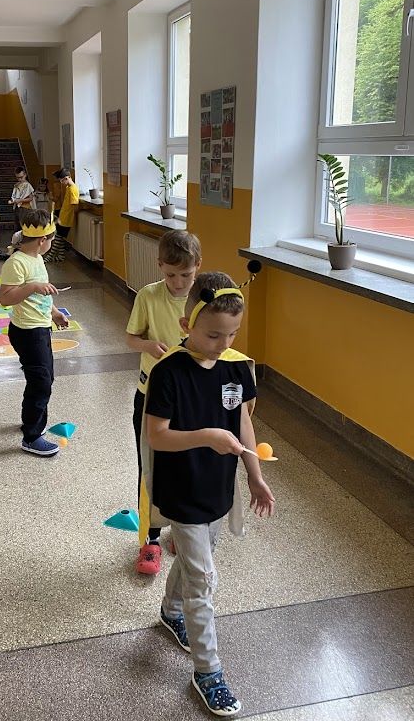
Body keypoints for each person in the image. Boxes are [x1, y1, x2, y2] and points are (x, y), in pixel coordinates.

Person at [141, 267, 275, 717]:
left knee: (196, 560)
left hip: (219, 489)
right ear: (187, 325)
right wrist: (207, 437)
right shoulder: (169, 372)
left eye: (232, 333)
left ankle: (170, 611)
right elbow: (157, 436)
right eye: (214, 334)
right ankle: (208, 671)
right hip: (183, 491)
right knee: (203, 578)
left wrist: (254, 474)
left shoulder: (236, 366)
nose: (223, 343)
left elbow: (242, 422)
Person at [126, 229, 202, 575]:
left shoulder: (202, 300)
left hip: (190, 399)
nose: (178, 283)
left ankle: (180, 528)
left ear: (197, 267)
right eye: (171, 275)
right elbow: (131, 337)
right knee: (150, 468)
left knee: (186, 467)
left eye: (186, 275)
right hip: (151, 396)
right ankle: (151, 539)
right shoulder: (148, 296)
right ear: (159, 266)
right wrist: (147, 345)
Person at [0, 209, 69, 456]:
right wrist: (32, 287)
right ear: (42, 240)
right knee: (41, 382)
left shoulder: (37, 258)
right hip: (27, 332)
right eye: (52, 239)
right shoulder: (16, 263)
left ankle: (33, 420)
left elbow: (41, 297)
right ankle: (31, 436)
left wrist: (55, 313)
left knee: (45, 378)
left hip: (41, 327)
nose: (51, 243)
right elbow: (5, 298)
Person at [44, 168, 78, 263]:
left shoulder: (73, 189)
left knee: (58, 237)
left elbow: (75, 206)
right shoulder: (68, 188)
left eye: (62, 180)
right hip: (63, 216)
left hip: (67, 218)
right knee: (61, 238)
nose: (61, 182)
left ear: (67, 178)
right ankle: (61, 256)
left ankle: (50, 256)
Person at [8, 166, 36, 230]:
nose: (19, 179)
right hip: (17, 208)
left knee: (24, 226)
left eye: (21, 177)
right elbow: (14, 196)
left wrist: (21, 200)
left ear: (25, 175)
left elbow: (30, 198)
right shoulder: (16, 185)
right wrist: (12, 200)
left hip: (25, 208)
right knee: (17, 225)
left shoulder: (28, 185)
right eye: (17, 178)